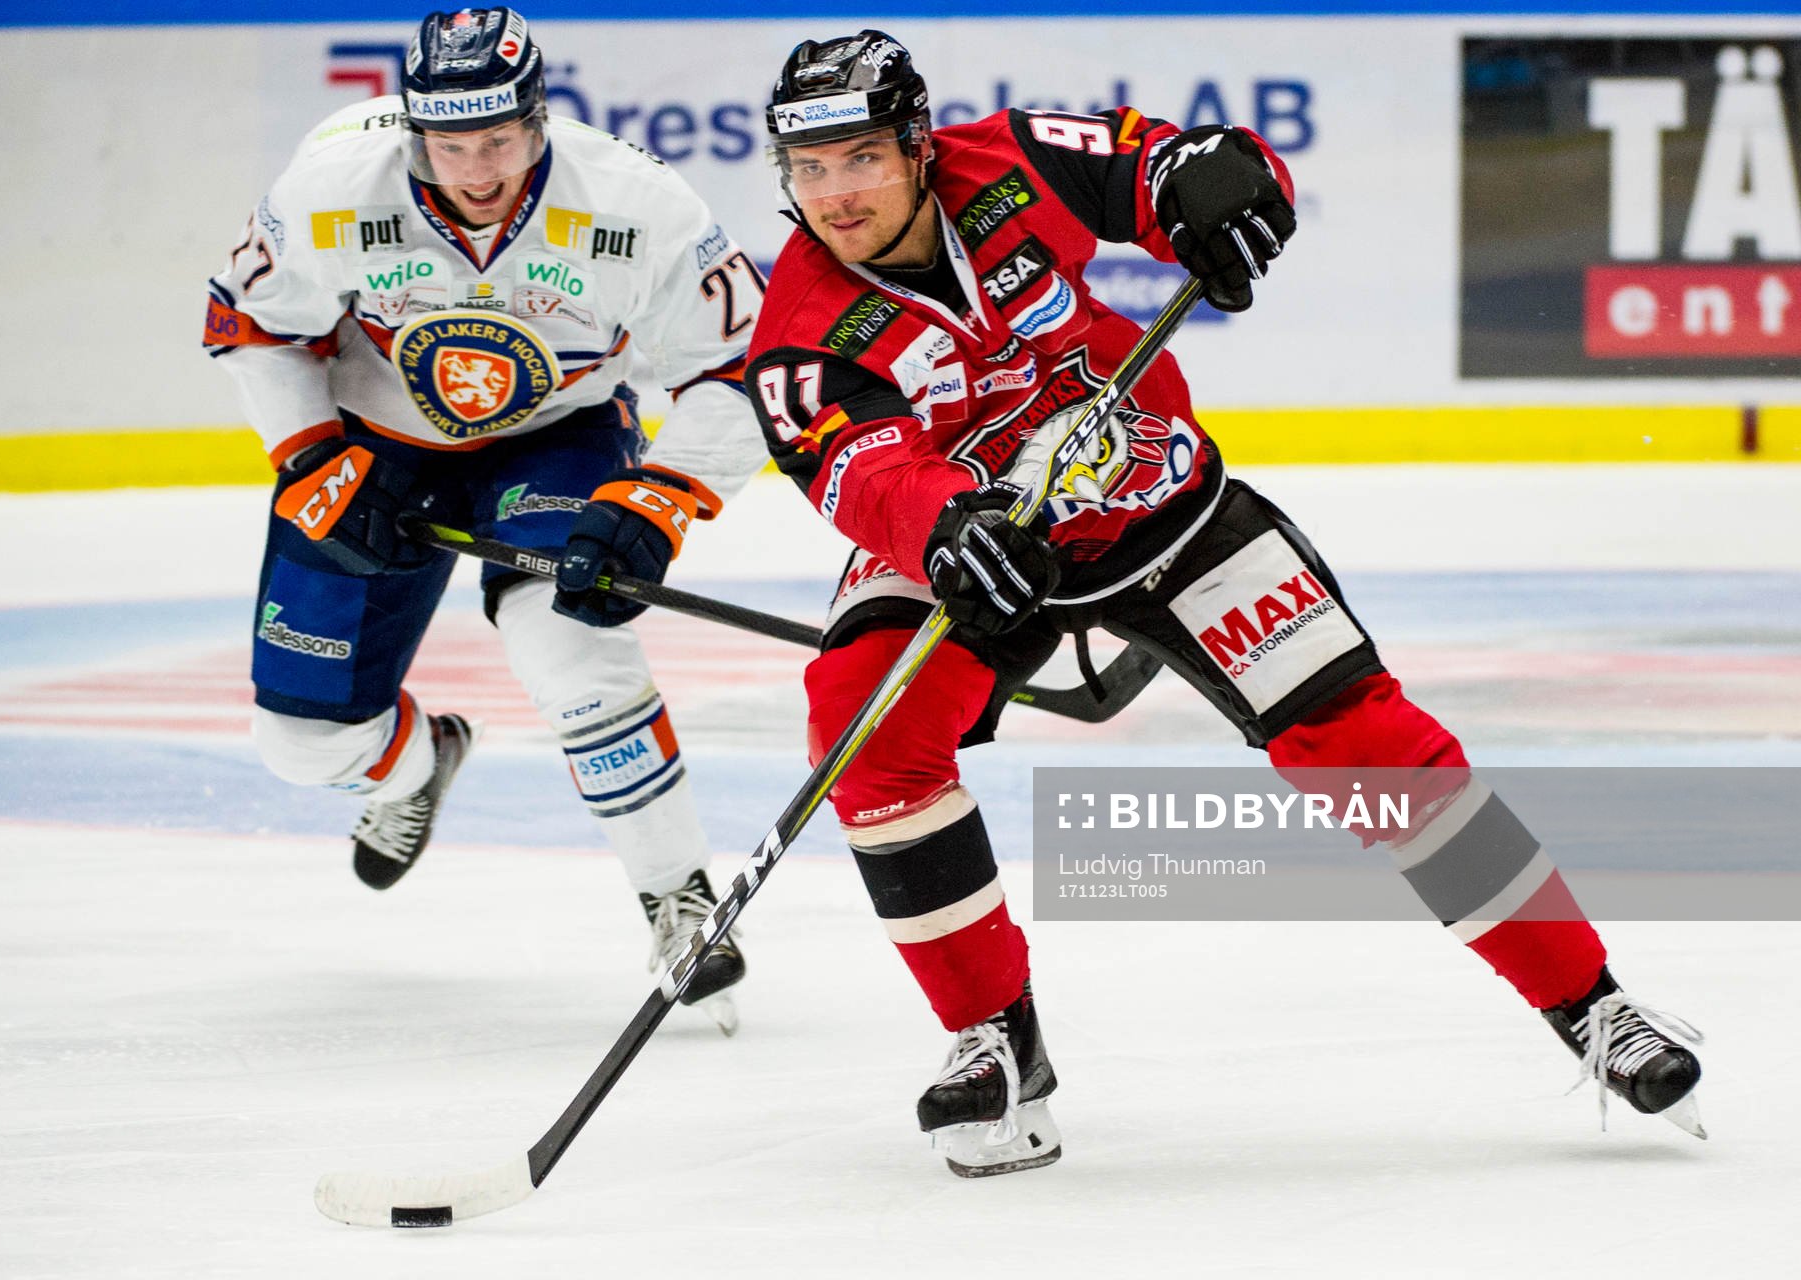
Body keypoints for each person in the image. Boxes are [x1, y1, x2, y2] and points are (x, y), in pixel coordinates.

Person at [743, 30, 1706, 1173]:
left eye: (860, 158)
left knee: (1369, 742)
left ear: (917, 146)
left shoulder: (1010, 158)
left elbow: (1174, 163)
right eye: (809, 169)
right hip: (983, 542)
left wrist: (1224, 186)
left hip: (1155, 498)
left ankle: (1595, 1005)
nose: (836, 194)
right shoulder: (797, 332)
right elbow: (869, 473)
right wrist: (947, 526)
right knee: (867, 730)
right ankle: (994, 1038)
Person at [203, 7, 769, 1032]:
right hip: (372, 445)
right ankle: (421, 764)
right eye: (450, 145)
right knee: (301, 741)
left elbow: (739, 369)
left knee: (569, 645)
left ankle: (680, 899)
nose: (476, 170)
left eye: (500, 140)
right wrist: (311, 458)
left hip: (556, 438)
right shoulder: (332, 184)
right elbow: (253, 322)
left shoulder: (636, 201)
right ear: (412, 127)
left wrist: (662, 495)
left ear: (540, 116)